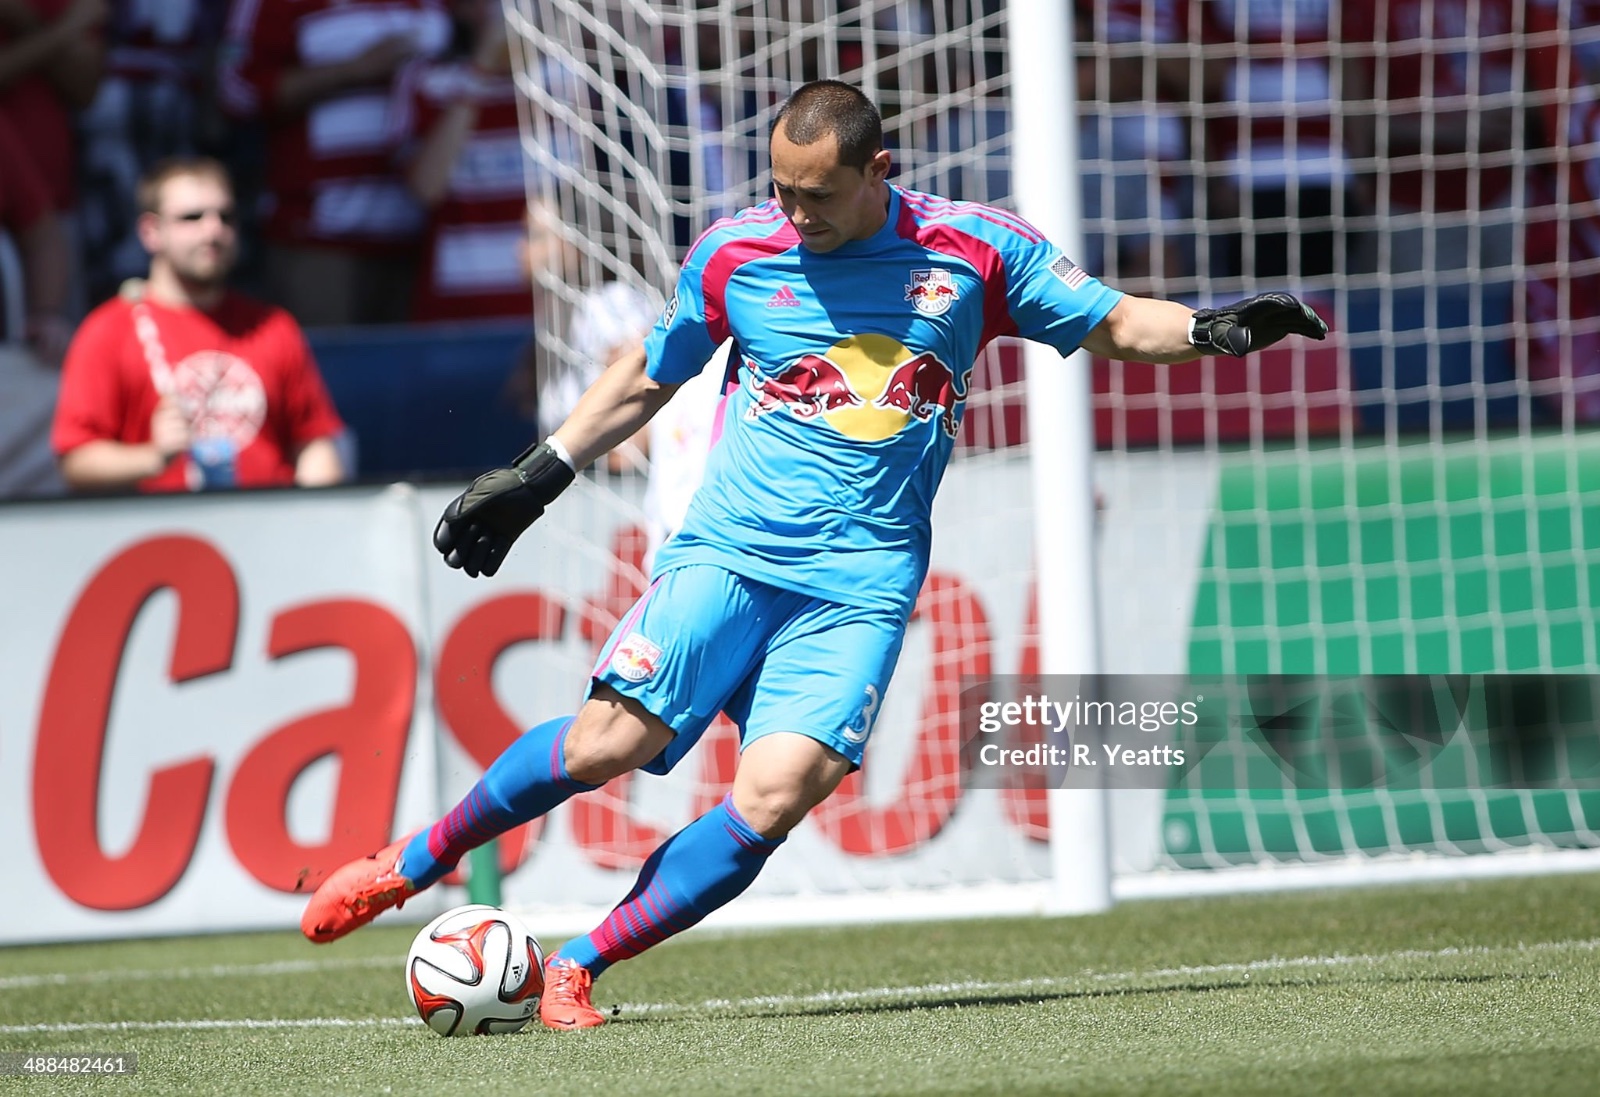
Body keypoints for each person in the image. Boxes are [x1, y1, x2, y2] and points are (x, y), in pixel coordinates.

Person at [300, 81, 1327, 1029]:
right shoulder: (737, 255)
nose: (798, 215)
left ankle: (575, 965)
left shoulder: (976, 251)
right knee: (606, 743)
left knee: (773, 796)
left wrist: (1211, 329)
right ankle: (410, 861)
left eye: (819, 195)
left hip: (860, 585)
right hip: (729, 555)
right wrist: (540, 471)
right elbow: (647, 376)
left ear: (880, 172)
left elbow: (1108, 322)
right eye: (782, 191)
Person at [52, 156, 347, 492]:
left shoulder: (273, 326)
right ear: (150, 231)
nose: (213, 230)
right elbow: (74, 461)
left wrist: (320, 515)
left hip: (269, 526)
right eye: (191, 218)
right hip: (165, 535)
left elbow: (312, 445)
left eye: (225, 217)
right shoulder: (108, 330)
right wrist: (152, 458)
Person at [217, 0, 451, 326]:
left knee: (413, 371)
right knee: (328, 370)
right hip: (320, 239)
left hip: (422, 236)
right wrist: (355, 69)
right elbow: (237, 89)